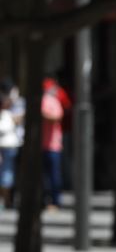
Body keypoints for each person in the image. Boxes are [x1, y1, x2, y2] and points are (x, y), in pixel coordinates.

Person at [41, 80, 67, 209]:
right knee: (44, 177)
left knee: (53, 175)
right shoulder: (42, 100)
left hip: (53, 145)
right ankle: (45, 201)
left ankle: (55, 201)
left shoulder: (53, 100)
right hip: (42, 145)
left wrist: (43, 115)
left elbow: (58, 116)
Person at [0, 84, 22, 209]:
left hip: (10, 147)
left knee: (7, 174)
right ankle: (6, 201)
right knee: (7, 174)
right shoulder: (7, 115)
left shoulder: (9, 115)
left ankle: (6, 201)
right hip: (7, 147)